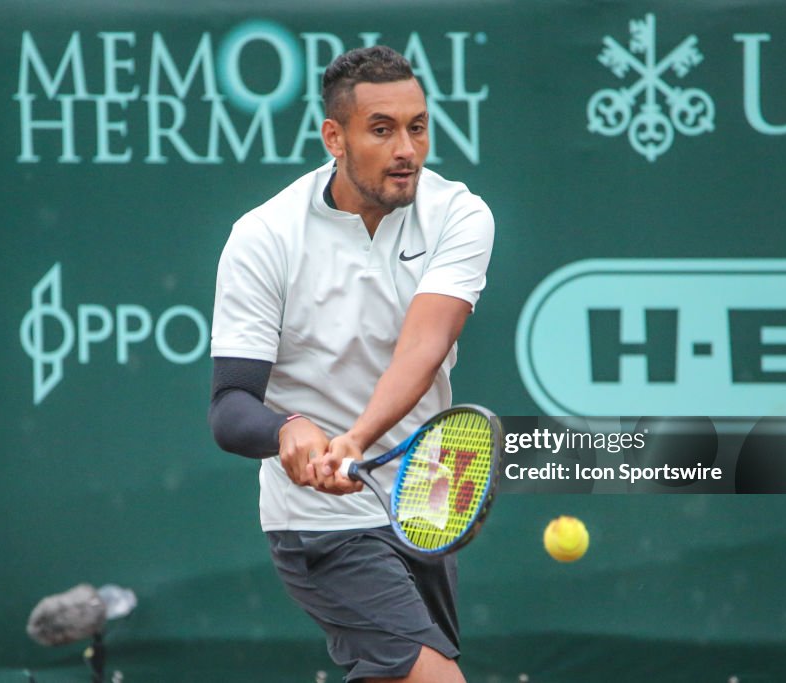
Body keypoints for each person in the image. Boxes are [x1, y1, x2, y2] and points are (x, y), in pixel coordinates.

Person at [209, 45, 494, 683]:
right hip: (320, 526)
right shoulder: (264, 237)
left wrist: (355, 441)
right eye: (382, 129)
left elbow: (422, 350)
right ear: (334, 137)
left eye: (417, 127)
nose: (407, 150)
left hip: (427, 504)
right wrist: (288, 431)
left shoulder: (459, 215)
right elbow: (229, 408)